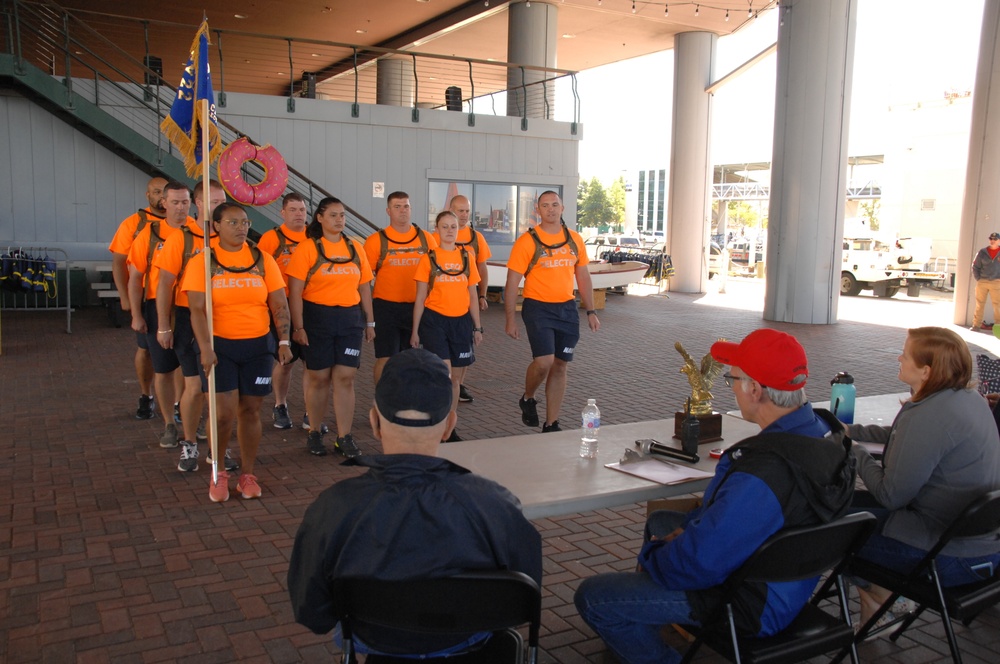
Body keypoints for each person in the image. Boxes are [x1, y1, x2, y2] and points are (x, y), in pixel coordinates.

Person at [574, 329, 856, 664]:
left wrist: (658, 553)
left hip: (749, 603)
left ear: (755, 390)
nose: (732, 389)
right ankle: (643, 620)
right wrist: (688, 533)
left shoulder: (765, 471)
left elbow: (701, 563)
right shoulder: (827, 435)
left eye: (733, 380)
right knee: (663, 520)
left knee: (594, 597)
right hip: (789, 582)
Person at [287, 348, 542, 657]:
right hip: (471, 645)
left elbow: (312, 612)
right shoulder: (494, 504)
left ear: (374, 422)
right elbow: (524, 595)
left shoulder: (334, 508)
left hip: (376, 643)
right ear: (449, 425)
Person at [847, 326, 1000, 625]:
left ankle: (883, 599)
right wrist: (853, 432)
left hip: (948, 557)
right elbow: (909, 441)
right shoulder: (969, 400)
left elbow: (891, 495)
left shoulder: (929, 415)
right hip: (984, 548)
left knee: (825, 530)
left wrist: (853, 450)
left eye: (905, 355)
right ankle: (880, 602)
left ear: (927, 371)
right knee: (846, 508)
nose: (899, 359)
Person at [183, 202, 292, 502]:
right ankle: (219, 473)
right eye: (233, 222)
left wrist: (283, 342)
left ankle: (247, 474)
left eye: (244, 222)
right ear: (216, 226)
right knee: (224, 414)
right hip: (220, 348)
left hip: (257, 346)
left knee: (251, 410)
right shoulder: (203, 261)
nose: (241, 228)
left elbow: (279, 304)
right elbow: (196, 309)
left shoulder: (262, 259)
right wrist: (205, 348)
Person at [286, 196, 375, 459]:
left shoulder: (356, 249)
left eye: (342, 215)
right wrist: (298, 327)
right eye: (333, 215)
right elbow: (294, 292)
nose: (339, 220)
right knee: (319, 378)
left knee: (345, 378)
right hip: (317, 319)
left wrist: (369, 321)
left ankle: (344, 437)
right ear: (320, 218)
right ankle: (315, 431)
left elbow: (364, 288)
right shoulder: (307, 249)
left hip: (349, 320)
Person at [504, 190, 599, 433]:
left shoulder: (575, 239)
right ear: (538, 211)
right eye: (545, 205)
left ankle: (551, 423)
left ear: (563, 208)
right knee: (544, 362)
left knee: (560, 365)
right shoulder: (527, 241)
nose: (550, 209)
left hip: (567, 309)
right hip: (538, 308)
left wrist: (591, 310)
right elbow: (512, 282)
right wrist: (510, 319)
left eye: (554, 204)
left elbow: (584, 277)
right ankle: (528, 397)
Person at [154, 179, 227, 473]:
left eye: (222, 202)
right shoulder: (182, 239)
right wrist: (162, 325)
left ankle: (218, 450)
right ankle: (189, 445)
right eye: (213, 202)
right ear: (198, 203)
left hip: (223, 319)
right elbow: (164, 284)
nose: (219, 207)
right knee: (195, 386)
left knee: (218, 391)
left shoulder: (231, 237)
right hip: (188, 318)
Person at [126, 180, 191, 449]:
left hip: (190, 310)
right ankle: (169, 424)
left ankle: (189, 416)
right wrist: (136, 314)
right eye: (174, 202)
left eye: (185, 202)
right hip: (158, 308)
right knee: (163, 369)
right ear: (163, 203)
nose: (180, 208)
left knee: (192, 372)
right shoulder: (150, 234)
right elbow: (135, 277)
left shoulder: (199, 233)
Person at [413, 210, 484, 442]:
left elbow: (473, 295)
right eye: (445, 226)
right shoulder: (428, 259)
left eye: (453, 226)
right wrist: (415, 330)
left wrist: (477, 327)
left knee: (454, 379)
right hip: (435, 321)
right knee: (443, 374)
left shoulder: (467, 258)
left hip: (461, 322)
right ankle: (437, 422)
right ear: (437, 229)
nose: (450, 230)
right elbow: (420, 298)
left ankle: (449, 427)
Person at [108, 176, 167, 420]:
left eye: (165, 192)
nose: (161, 197)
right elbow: (119, 264)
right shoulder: (133, 225)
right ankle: (146, 395)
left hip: (178, 297)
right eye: (156, 192)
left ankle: (176, 404)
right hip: (146, 297)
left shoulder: (185, 224)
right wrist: (126, 299)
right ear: (148, 195)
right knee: (146, 349)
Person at [363, 191, 437, 384]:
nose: (402, 210)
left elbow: (436, 275)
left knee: (413, 359)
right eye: (397, 207)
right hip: (386, 308)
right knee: (386, 359)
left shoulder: (427, 239)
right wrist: (368, 318)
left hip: (418, 307)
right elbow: (362, 281)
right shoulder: (375, 241)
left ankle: (406, 401)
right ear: (388, 211)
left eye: (406, 206)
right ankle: (383, 402)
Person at [256, 192, 310, 430]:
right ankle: (280, 405)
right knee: (286, 361)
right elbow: (259, 272)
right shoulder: (271, 238)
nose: (299, 214)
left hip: (311, 305)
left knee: (314, 364)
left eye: (302, 210)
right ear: (283, 213)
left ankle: (311, 411)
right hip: (283, 306)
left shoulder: (314, 237)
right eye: (293, 210)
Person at [440, 194, 492, 404]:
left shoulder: (476, 238)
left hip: (466, 301)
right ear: (450, 209)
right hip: (442, 304)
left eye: (466, 211)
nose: (463, 215)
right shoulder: (437, 236)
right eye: (459, 210)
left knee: (465, 346)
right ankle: (448, 384)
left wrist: (482, 295)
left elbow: (482, 268)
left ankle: (459, 385)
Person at [971, 232, 1000, 331]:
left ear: (999, 241)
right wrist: (978, 278)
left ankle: (998, 327)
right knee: (979, 304)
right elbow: (975, 266)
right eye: (991, 239)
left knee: (997, 305)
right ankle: (976, 325)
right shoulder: (982, 252)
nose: (992, 241)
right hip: (982, 282)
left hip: (996, 282)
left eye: (995, 239)